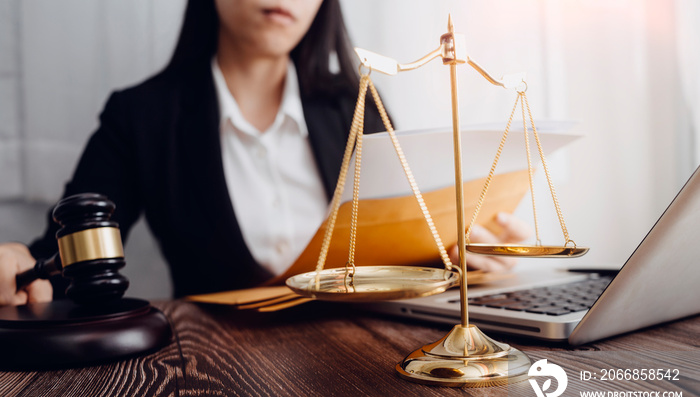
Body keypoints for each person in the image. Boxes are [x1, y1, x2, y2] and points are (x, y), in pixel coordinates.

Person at [0, 0, 529, 306]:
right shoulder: (142, 116)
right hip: (214, 376)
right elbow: (63, 255)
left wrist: (463, 254)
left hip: (361, 364)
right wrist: (20, 264)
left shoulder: (354, 105)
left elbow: (397, 245)